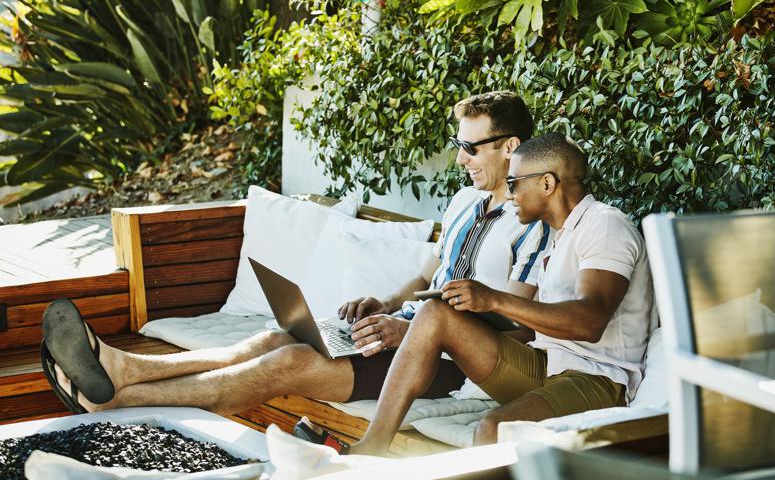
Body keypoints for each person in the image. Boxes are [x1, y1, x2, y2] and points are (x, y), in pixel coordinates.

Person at [41, 91, 552, 429]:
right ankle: (121, 367)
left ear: (510, 146)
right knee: (272, 338)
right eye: (456, 144)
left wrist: (420, 331)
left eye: (469, 146)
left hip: (443, 364)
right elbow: (428, 275)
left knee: (287, 362)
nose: (459, 157)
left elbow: (517, 325)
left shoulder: (531, 219)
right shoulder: (465, 202)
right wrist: (387, 303)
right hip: (394, 332)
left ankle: (113, 401)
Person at [349, 132, 655, 455]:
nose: (509, 196)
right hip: (547, 363)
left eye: (514, 184)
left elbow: (589, 321)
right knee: (435, 314)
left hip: (596, 378)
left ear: (547, 184)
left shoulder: (604, 227)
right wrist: (475, 314)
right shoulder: (558, 234)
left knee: (494, 429)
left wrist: (492, 299)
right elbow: (535, 326)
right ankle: (370, 450)